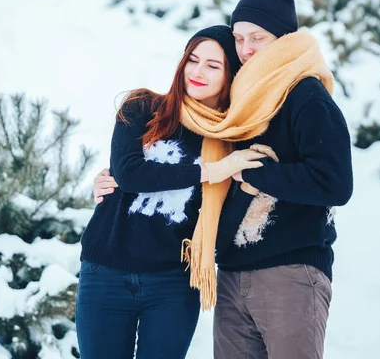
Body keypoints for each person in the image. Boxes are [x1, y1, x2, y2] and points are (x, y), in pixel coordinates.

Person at [93, 0, 354, 359]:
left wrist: (254, 174)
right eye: (239, 38)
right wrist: (113, 183)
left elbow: (335, 183)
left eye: (257, 38)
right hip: (233, 273)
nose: (246, 49)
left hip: (290, 269)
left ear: (282, 39)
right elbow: (194, 180)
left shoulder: (305, 94)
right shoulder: (238, 111)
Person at [76, 25, 276, 359]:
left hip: (172, 283)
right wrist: (210, 172)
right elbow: (129, 174)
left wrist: (248, 184)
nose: (197, 72)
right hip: (106, 271)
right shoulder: (142, 107)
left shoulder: (230, 141)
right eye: (192, 60)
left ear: (231, 76)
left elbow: (222, 223)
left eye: (213, 66)